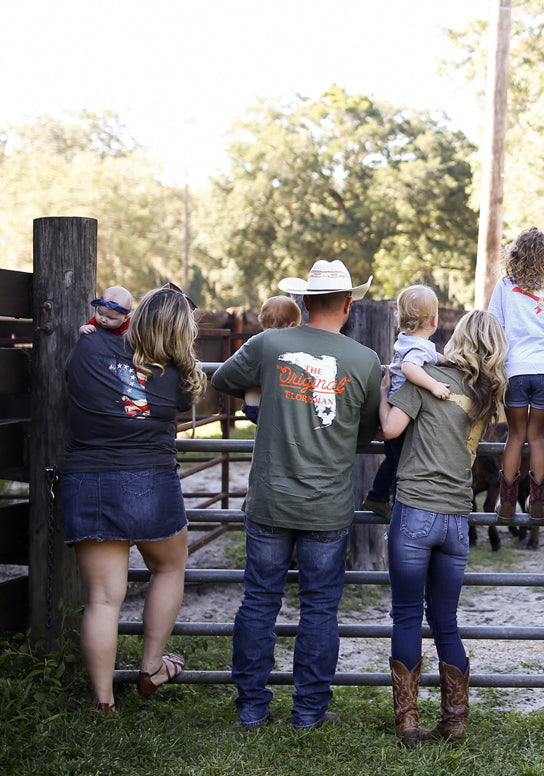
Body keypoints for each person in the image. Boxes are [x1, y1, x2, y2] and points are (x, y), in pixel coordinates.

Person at [211, 259, 382, 730]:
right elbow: (366, 429)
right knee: (321, 608)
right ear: (348, 305)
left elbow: (221, 379)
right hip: (326, 507)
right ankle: (308, 711)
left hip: (269, 498)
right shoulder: (364, 360)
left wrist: (264, 388)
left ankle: (251, 706)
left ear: (304, 302)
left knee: (260, 602)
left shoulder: (268, 344)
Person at [63, 285, 207, 712]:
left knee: (103, 599)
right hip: (150, 478)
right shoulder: (178, 373)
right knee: (169, 569)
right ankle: (151, 666)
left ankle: (104, 703)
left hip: (88, 479)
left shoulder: (86, 348)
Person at [379, 311, 508, 746]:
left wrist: (386, 392)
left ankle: (409, 723)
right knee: (446, 622)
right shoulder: (486, 394)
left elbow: (391, 429)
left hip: (415, 510)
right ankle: (454, 720)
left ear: (459, 337)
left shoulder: (426, 377)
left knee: (406, 616)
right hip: (457, 517)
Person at [487, 227, 544, 522]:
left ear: (516, 254)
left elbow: (494, 326)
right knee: (537, 438)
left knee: (515, 436)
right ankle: (538, 503)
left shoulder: (505, 285)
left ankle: (506, 505)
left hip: (514, 371)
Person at [362, 284, 450, 522]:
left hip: (396, 404)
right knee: (400, 462)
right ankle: (383, 497)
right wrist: (433, 384)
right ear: (434, 321)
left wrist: (451, 362)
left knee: (393, 459)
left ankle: (380, 496)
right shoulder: (417, 347)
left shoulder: (408, 341)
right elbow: (411, 368)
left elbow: (435, 356)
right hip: (403, 408)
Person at [241, 295, 302, 423]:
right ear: (292, 326)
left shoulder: (256, 344)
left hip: (253, 406)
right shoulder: (293, 347)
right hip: (282, 407)